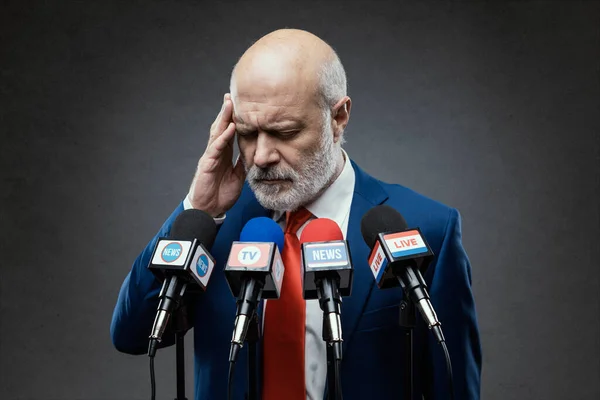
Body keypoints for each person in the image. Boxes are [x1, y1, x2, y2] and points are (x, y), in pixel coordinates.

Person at [110, 28, 482, 399]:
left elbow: (453, 386)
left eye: (285, 132)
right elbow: (130, 334)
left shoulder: (427, 228)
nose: (261, 156)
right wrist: (199, 208)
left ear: (338, 118)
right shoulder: (215, 227)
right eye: (248, 132)